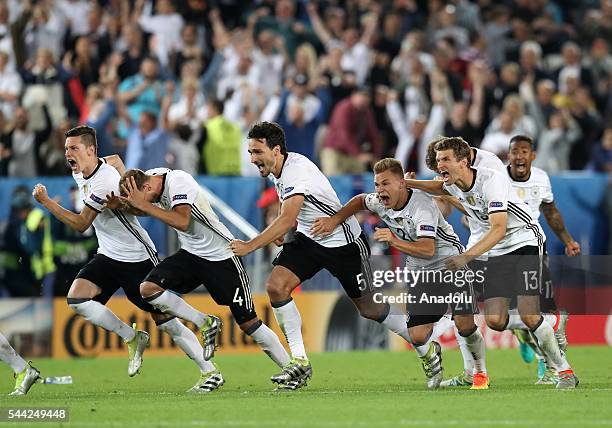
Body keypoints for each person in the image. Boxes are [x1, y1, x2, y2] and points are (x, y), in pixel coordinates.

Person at [32, 126, 220, 392]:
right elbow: (116, 160)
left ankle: (209, 368)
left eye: (73, 148)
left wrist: (47, 202)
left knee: (166, 322)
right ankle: (132, 337)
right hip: (108, 254)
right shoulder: (85, 169)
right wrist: (122, 174)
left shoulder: (102, 181)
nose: (68, 154)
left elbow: (81, 224)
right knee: (77, 299)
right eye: (66, 149)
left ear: (90, 150)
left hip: (137, 257)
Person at [230, 122, 414, 390]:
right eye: (250, 152)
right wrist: (284, 230)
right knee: (276, 287)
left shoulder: (297, 170)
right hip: (310, 239)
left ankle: (422, 342)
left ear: (276, 150)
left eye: (257, 151)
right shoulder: (278, 169)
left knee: (369, 309)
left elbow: (287, 217)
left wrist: (251, 245)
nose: (253, 158)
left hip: (344, 242)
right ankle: (300, 361)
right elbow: (291, 213)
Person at [405, 137, 578, 389]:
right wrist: (407, 182)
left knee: (529, 314)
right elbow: (435, 187)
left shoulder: (491, 179)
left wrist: (466, 256)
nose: (439, 165)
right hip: (497, 250)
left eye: (445, 160)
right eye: (438, 160)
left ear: (463, 162)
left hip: (524, 240)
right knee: (495, 321)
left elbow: (499, 228)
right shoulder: (452, 183)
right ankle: (552, 322)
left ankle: (564, 372)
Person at [311, 158, 488, 389]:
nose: (380, 190)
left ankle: (479, 373)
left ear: (402, 184)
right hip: (419, 271)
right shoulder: (379, 202)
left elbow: (428, 249)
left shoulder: (422, 206)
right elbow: (359, 201)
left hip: (450, 264)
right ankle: (438, 343)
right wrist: (335, 220)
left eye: (385, 184)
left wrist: (393, 240)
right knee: (417, 336)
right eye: (377, 184)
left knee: (465, 326)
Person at [115, 167, 292, 392]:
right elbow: (145, 209)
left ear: (148, 187)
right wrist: (123, 205)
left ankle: (291, 367)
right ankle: (205, 322)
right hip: (191, 254)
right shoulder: (150, 181)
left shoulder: (178, 180)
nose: (144, 204)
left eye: (144, 198)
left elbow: (181, 220)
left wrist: (143, 204)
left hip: (223, 256)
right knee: (148, 289)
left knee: (248, 322)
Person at [506, 135, 580, 383]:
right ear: (509, 155)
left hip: (532, 248)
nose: (519, 156)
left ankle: (549, 364)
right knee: (513, 314)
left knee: (536, 310)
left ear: (532, 156)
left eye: (524, 151)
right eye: (515, 151)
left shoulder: (541, 178)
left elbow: (550, 212)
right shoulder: (496, 179)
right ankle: (536, 334)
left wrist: (568, 240)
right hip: (500, 251)